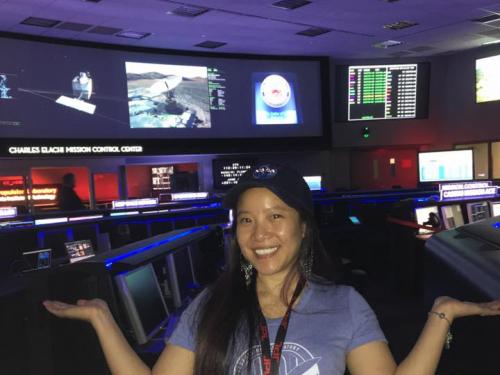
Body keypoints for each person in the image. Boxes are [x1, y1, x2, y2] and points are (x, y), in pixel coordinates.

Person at [43, 163, 500, 375]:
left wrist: (443, 314)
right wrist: (104, 319)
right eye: (246, 219)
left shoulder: (344, 304)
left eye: (276, 216)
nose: (259, 234)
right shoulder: (211, 305)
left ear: (303, 226)